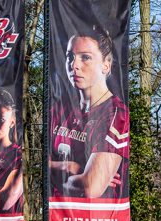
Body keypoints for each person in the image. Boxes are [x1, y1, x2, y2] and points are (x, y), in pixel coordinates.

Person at [49, 25, 129, 198]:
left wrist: (53, 173)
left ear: (106, 66)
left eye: (85, 57)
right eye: (70, 56)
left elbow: (89, 188)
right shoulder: (60, 109)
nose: (74, 65)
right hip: (58, 218)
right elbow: (37, 164)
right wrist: (72, 167)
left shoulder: (116, 114)